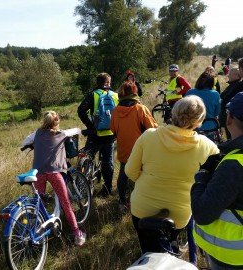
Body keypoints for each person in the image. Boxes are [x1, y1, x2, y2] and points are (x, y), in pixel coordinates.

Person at [125, 95, 219, 254]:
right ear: (198, 121)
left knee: (147, 250)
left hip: (142, 207)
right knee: (173, 238)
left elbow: (130, 171)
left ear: (173, 113)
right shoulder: (209, 147)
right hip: (180, 213)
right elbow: (211, 185)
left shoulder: (148, 136)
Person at [191, 92, 243, 269]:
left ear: (228, 118)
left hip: (232, 256)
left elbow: (202, 213)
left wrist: (202, 177)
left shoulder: (234, 164)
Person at [22, 111, 86, 246]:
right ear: (56, 123)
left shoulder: (37, 133)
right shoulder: (61, 134)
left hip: (38, 172)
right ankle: (77, 234)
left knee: (40, 202)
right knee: (65, 203)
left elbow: (25, 141)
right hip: (55, 172)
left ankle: (37, 230)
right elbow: (75, 130)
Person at [109, 81, 157, 212]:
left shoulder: (116, 111)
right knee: (143, 176)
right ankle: (143, 201)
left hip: (124, 149)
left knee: (123, 175)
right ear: (135, 92)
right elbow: (153, 129)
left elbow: (112, 129)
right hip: (142, 151)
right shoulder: (140, 108)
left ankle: (122, 201)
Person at [77, 72, 119, 197]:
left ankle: (82, 187)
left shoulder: (93, 95)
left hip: (95, 134)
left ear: (98, 82)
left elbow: (81, 110)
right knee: (108, 162)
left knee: (87, 158)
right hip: (110, 134)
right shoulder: (115, 95)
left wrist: (90, 126)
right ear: (108, 83)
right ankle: (107, 189)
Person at [185, 70, 221, 134]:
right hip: (209, 127)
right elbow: (217, 112)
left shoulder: (189, 92)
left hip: (191, 126)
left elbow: (184, 110)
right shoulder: (215, 94)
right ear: (212, 83)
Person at [219, 67, 242, 139]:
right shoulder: (234, 85)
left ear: (236, 75)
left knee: (232, 139)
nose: (228, 76)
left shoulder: (238, 86)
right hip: (229, 117)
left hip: (232, 118)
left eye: (230, 74)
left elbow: (226, 98)